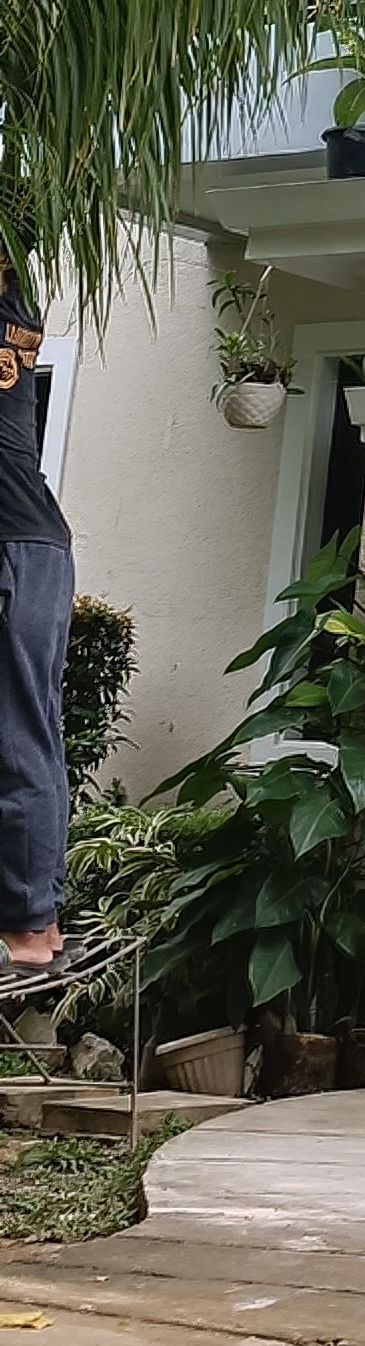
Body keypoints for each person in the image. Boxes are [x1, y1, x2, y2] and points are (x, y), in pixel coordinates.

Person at [0, 254, 76, 976]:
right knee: (33, 731)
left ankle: (26, 923)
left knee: (17, 736)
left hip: (13, 547)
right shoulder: (14, 314)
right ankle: (40, 918)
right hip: (35, 543)